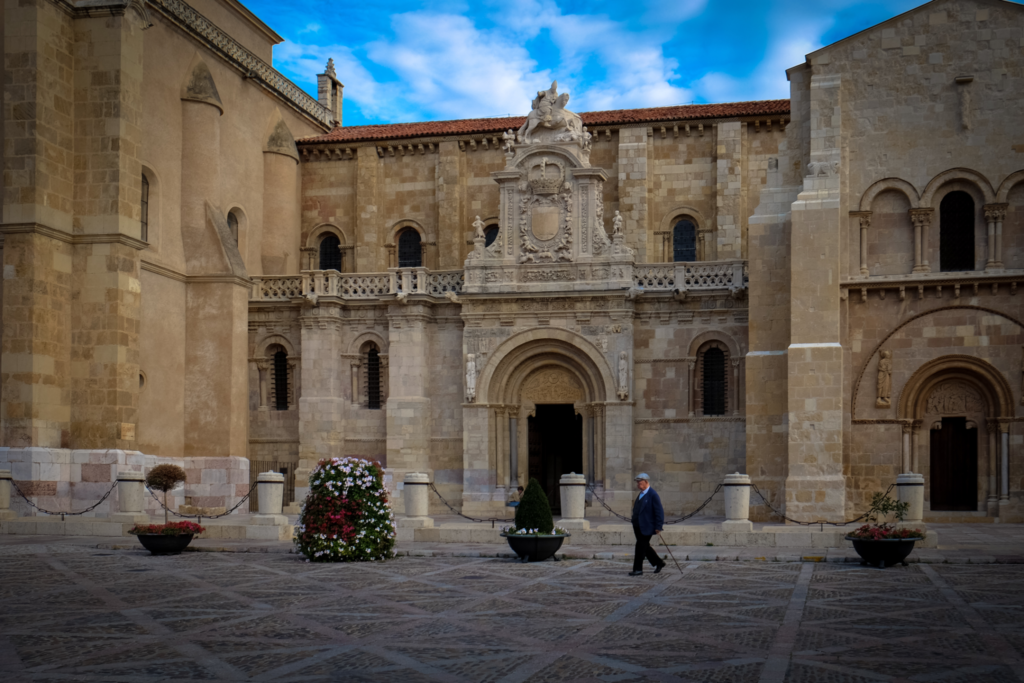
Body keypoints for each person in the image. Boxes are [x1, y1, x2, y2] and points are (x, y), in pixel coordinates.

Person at [629, 473, 666, 576]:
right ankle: (659, 562)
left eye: (640, 483)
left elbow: (659, 512)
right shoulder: (641, 493)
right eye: (637, 483)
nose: (638, 485)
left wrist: (658, 526)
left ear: (646, 482)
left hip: (647, 526)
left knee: (640, 547)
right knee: (645, 546)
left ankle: (638, 569)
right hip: (637, 525)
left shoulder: (653, 494)